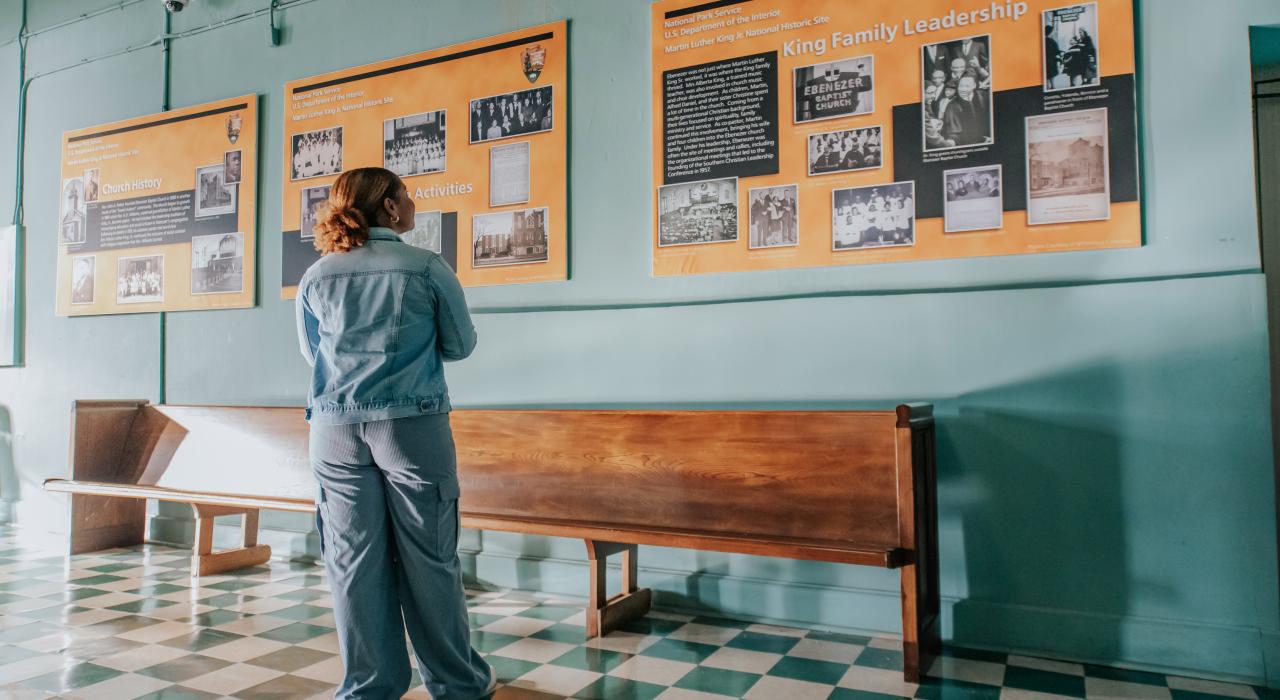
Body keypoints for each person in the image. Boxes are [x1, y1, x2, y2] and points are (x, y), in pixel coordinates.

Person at [295, 167, 495, 700]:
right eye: (407, 195)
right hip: (410, 427)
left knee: (351, 561)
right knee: (430, 557)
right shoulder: (425, 267)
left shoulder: (317, 275)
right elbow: (460, 345)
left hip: (334, 430)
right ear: (388, 206)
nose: (412, 203)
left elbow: (314, 356)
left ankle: (369, 687)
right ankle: (457, 684)